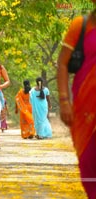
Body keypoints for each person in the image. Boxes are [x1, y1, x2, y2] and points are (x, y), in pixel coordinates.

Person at [57, 5, 96, 198]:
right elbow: (62, 63)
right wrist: (64, 101)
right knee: (89, 165)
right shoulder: (81, 26)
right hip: (85, 110)